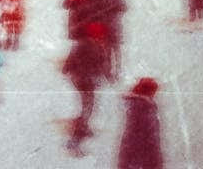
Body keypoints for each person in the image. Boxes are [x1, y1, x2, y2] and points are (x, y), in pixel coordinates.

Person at [62, 22, 110, 155]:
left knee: (86, 105)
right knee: (88, 107)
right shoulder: (96, 46)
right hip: (86, 80)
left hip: (79, 79)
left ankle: (83, 128)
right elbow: (101, 64)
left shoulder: (80, 43)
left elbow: (70, 60)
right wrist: (105, 75)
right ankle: (75, 139)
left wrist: (67, 70)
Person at [117, 77, 164, 169]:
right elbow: (151, 135)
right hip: (144, 151)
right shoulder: (146, 107)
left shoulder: (133, 105)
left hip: (130, 151)